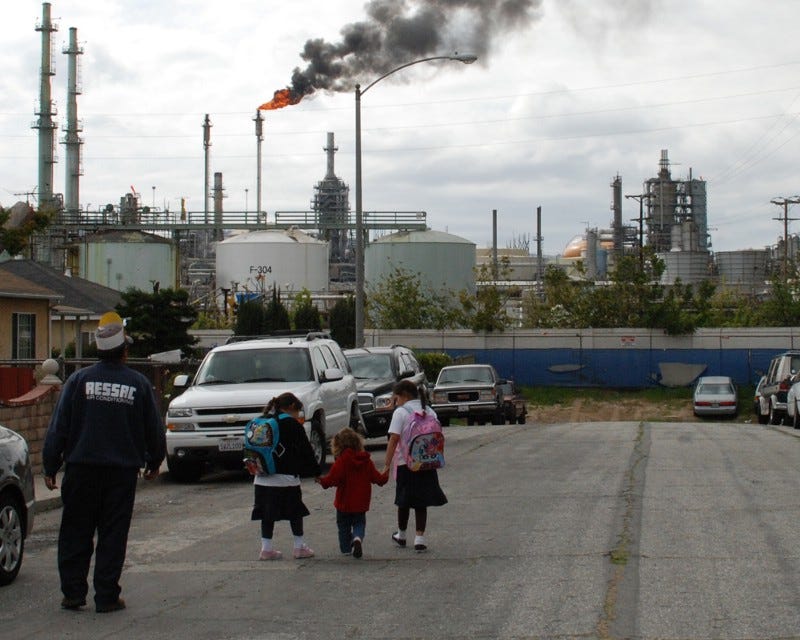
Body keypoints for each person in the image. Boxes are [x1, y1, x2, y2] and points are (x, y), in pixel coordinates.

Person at [42, 311, 166, 613]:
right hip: (120, 474)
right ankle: (107, 596)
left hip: (81, 470)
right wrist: (154, 461)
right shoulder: (138, 384)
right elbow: (153, 427)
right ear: (124, 351)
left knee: (75, 531)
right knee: (113, 533)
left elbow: (59, 427)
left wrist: (50, 465)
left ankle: (73, 593)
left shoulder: (78, 380)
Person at [250, 392, 320, 560]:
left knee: (266, 514)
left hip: (262, 478)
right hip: (286, 478)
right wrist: (316, 472)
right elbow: (306, 450)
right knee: (295, 512)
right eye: (298, 411)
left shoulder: (262, 421)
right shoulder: (292, 424)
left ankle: (266, 549)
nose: (298, 415)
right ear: (292, 407)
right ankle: (299, 547)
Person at [383, 379, 447, 552]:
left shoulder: (401, 412)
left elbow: (393, 440)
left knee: (403, 500)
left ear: (403, 395)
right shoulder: (429, 410)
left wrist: (387, 464)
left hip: (405, 463)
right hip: (427, 462)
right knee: (421, 501)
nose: (395, 402)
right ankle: (420, 537)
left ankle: (402, 534)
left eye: (396, 398)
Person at [315, 427, 388, 558]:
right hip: (361, 503)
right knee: (359, 523)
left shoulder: (341, 461)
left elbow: (332, 479)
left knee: (343, 526)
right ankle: (357, 538)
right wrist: (386, 472)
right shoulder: (366, 461)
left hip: (344, 502)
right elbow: (378, 479)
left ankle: (346, 549)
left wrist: (321, 480)